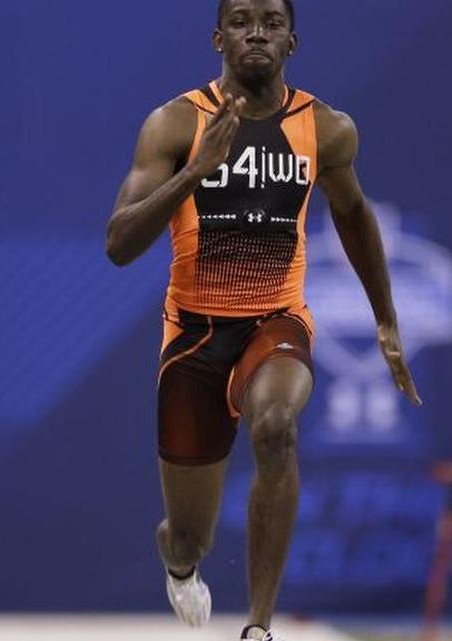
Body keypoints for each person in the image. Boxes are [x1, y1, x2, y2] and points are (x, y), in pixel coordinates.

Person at [105, 0, 422, 638]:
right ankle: (180, 562)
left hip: (276, 322)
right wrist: (196, 172)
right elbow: (119, 244)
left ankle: (257, 628)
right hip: (193, 339)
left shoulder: (326, 129)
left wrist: (385, 318)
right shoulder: (174, 123)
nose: (257, 33)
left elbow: (353, 214)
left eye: (272, 22)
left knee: (276, 427)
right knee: (188, 537)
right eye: (242, 21)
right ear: (217, 38)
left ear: (291, 43)